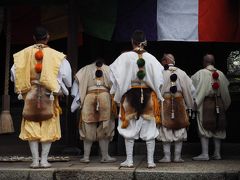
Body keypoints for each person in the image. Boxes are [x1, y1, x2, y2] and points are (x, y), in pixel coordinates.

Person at [11, 26, 72, 168]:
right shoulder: (57, 56)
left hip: (30, 93)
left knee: (31, 124)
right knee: (48, 124)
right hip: (49, 94)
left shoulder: (22, 55)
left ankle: (34, 161)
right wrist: (58, 85)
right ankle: (43, 161)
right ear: (48, 37)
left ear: (33, 38)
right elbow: (67, 80)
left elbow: (14, 75)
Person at [110, 30, 164, 168]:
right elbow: (159, 80)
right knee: (150, 127)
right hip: (148, 94)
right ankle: (150, 161)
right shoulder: (152, 58)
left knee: (128, 125)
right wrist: (157, 93)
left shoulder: (124, 57)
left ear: (132, 41)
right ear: (145, 42)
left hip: (130, 94)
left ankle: (129, 160)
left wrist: (117, 92)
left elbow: (114, 76)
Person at [71, 58, 117, 163]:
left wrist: (77, 99)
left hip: (89, 97)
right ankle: (105, 156)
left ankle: (86, 157)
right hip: (105, 97)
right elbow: (115, 86)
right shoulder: (109, 69)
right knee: (106, 126)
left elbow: (75, 87)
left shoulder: (85, 69)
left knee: (87, 126)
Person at [191, 54, 231, 161]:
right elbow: (226, 92)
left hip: (206, 104)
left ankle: (205, 154)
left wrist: (194, 104)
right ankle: (217, 153)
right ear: (214, 62)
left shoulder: (200, 73)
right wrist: (224, 105)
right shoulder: (221, 74)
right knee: (219, 126)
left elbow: (192, 87)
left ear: (204, 62)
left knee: (204, 126)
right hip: (219, 102)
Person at [157, 54, 195, 163]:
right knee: (180, 127)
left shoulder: (161, 73)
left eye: (161, 60)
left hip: (165, 102)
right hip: (180, 102)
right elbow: (191, 90)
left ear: (165, 61)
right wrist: (189, 104)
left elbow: (156, 89)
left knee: (165, 127)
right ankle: (177, 157)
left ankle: (167, 157)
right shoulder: (182, 73)